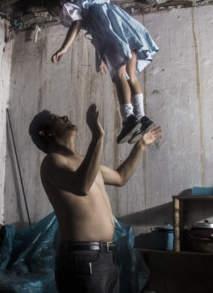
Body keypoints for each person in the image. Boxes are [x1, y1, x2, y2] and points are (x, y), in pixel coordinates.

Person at [29, 104, 162, 293]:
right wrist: (98, 136)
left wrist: (141, 145)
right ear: (46, 133)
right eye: (57, 118)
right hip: (82, 259)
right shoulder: (52, 162)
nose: (66, 117)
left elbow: (120, 177)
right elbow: (81, 187)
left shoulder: (85, 162)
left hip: (105, 256)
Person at [48, 0, 159, 144]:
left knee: (119, 77)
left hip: (108, 32)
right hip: (124, 28)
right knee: (131, 77)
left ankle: (128, 119)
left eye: (55, 12)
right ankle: (142, 117)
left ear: (59, 1)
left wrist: (64, 48)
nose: (58, 15)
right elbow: (105, 26)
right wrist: (101, 56)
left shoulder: (69, 4)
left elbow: (79, 24)